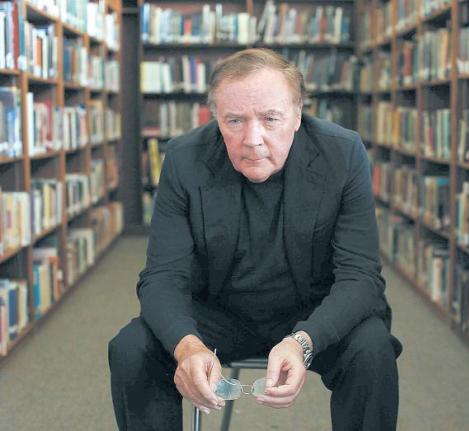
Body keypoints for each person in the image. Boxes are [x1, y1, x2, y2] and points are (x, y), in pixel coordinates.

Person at [108, 48, 402, 431]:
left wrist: (303, 341)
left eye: (270, 118)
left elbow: (361, 277)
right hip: (218, 314)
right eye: (234, 120)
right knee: (131, 348)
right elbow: (163, 276)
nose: (253, 138)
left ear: (297, 115)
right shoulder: (184, 159)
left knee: (372, 348)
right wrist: (187, 346)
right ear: (215, 117)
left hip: (313, 312)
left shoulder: (342, 153)